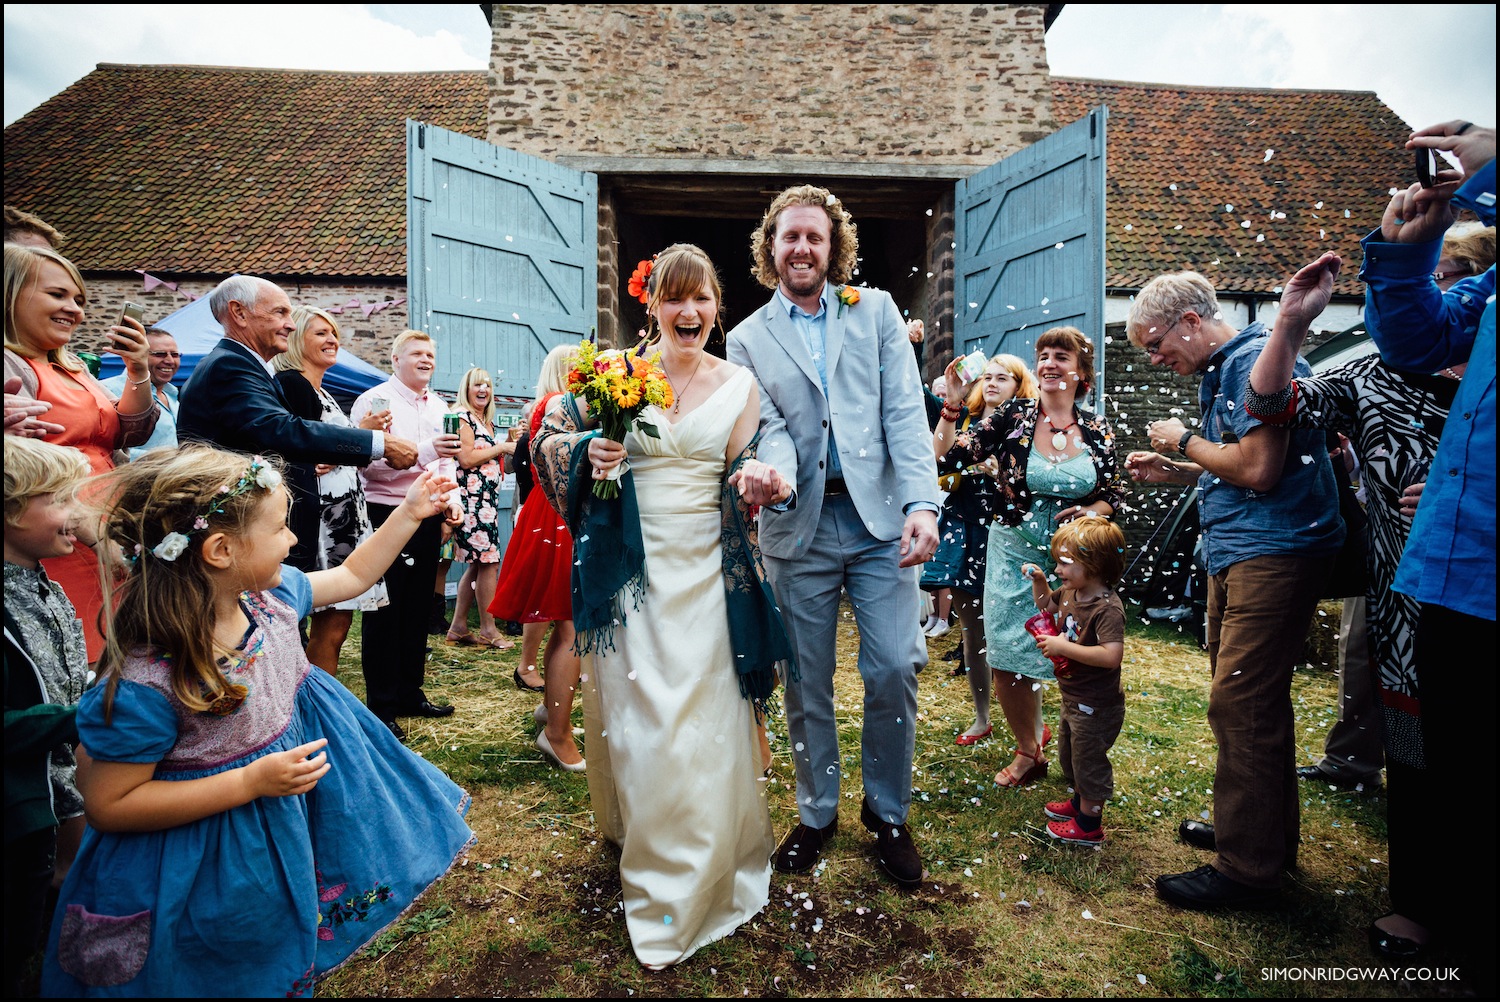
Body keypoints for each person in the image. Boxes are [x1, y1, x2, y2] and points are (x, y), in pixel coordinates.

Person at [39, 447, 472, 997]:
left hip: (268, 835)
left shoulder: (269, 598)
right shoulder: (148, 684)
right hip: (196, 865)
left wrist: (410, 511)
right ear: (221, 550)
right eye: (281, 528)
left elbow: (353, 573)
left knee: (269, 942)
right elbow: (110, 804)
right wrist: (248, 782)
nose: (293, 541)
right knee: (204, 968)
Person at [533, 243, 787, 968]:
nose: (689, 311)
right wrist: (590, 452)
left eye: (701, 297)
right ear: (653, 306)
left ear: (716, 305)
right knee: (645, 723)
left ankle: (705, 873)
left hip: (709, 577)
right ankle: (651, 867)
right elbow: (547, 442)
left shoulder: (739, 384)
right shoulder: (614, 376)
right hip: (631, 581)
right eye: (675, 298)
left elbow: (740, 467)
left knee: (700, 723)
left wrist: (758, 478)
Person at [726, 185, 940, 889]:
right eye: (790, 237)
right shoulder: (747, 338)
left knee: (892, 669)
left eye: (814, 238)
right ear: (771, 246)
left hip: (882, 523)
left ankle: (888, 814)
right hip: (800, 529)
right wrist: (775, 481)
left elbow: (905, 414)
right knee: (806, 680)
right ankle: (816, 814)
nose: (802, 249)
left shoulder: (874, 310)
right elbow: (772, 431)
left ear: (833, 246)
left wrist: (922, 504)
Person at [1124, 269, 1343, 910]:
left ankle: (1247, 870)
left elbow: (1257, 469)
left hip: (1271, 552)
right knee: (1252, 701)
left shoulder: (1250, 360)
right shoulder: (1231, 362)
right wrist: (1181, 469)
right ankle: (1260, 836)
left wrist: (1182, 439)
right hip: (1248, 548)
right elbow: (1239, 462)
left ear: (1192, 321)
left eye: (1156, 343)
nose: (1155, 358)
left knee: (1241, 702)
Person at [1352, 120, 1495, 962]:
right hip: (1452, 555)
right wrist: (1406, 258)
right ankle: (1432, 902)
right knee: (1438, 737)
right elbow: (1416, 340)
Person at [936, 328, 1125, 788]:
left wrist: (1091, 511)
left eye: (1061, 356)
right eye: (1043, 356)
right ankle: (1028, 750)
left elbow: (1115, 495)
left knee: (1077, 648)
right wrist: (953, 405)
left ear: (1081, 372)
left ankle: (1077, 743)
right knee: (1006, 649)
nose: (1049, 364)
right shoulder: (1014, 417)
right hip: (1012, 551)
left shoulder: (1098, 429)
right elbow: (946, 459)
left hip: (1075, 565)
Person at [178, 275, 420, 583]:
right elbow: (277, 429)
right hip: (236, 529)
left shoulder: (245, 366)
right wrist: (380, 443)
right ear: (238, 313)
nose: (290, 324)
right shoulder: (230, 366)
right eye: (280, 312)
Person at [4, 244, 158, 663]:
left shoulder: (71, 364)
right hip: (61, 536)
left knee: (123, 655)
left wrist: (138, 370)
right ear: (9, 292)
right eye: (57, 295)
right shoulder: (10, 363)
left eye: (79, 300)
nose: (75, 310)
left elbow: (131, 430)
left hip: (111, 527)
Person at [4, 438, 89, 995]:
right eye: (59, 499)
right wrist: (83, 717)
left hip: (60, 787)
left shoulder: (45, 585)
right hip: (17, 809)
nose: (75, 513)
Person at [350, 331, 463, 738]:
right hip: (386, 512)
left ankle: (410, 692)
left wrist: (454, 497)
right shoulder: (375, 401)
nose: (425, 359)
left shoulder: (440, 405)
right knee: (385, 611)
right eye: (416, 353)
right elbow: (365, 465)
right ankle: (381, 706)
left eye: (431, 353)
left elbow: (447, 461)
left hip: (429, 514)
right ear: (395, 359)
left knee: (417, 607)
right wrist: (429, 451)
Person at [926, 354, 1038, 744]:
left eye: (1002, 377)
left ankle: (1032, 725)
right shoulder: (967, 422)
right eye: (987, 376)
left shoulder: (1028, 428)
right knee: (974, 633)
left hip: (1007, 533)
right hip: (965, 531)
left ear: (1020, 385)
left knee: (1020, 629)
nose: (991, 383)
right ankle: (981, 716)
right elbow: (936, 459)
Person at [272, 306, 390, 672]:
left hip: (342, 513)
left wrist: (353, 438)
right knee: (331, 622)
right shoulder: (294, 383)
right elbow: (299, 449)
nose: (332, 340)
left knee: (335, 623)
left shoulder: (320, 390)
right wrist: (356, 437)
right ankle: (317, 710)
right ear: (296, 338)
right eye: (320, 332)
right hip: (323, 519)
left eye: (334, 332)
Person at [491, 346, 583, 764]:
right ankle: (556, 732)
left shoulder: (540, 406)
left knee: (563, 620)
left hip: (546, 512)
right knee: (571, 625)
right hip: (557, 515)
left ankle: (552, 708)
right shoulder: (558, 405)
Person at [1020, 517, 1128, 846]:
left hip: (1096, 703)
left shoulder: (1106, 609)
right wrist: (1040, 580)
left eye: (1065, 563)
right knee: (1072, 755)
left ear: (1094, 564)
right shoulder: (1070, 591)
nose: (1058, 570)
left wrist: (1063, 647)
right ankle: (1081, 803)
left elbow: (1111, 655)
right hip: (1074, 696)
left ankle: (1089, 824)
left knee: (1089, 760)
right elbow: (1044, 605)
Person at [445, 367, 514, 649]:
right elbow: (466, 458)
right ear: (467, 389)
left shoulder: (486, 422)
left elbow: (501, 467)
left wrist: (508, 445)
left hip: (487, 501)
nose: (483, 389)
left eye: (487, 385)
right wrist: (502, 447)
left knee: (478, 565)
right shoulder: (462, 416)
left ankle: (458, 627)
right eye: (477, 385)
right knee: (488, 563)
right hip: (472, 503)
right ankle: (488, 629)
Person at [101, 328, 181, 459]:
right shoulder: (109, 390)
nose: (170, 360)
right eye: (159, 354)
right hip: (132, 477)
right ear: (138, 354)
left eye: (175, 355)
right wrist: (165, 460)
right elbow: (105, 446)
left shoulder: (172, 395)